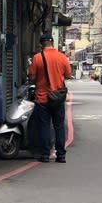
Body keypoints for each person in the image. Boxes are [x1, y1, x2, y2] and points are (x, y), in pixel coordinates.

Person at [27, 34, 72, 163]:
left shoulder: (37, 58)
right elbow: (68, 74)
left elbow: (31, 77)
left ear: (42, 44)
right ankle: (61, 155)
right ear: (52, 43)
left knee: (45, 126)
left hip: (43, 98)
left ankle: (45, 154)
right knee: (59, 126)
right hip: (58, 98)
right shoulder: (62, 57)